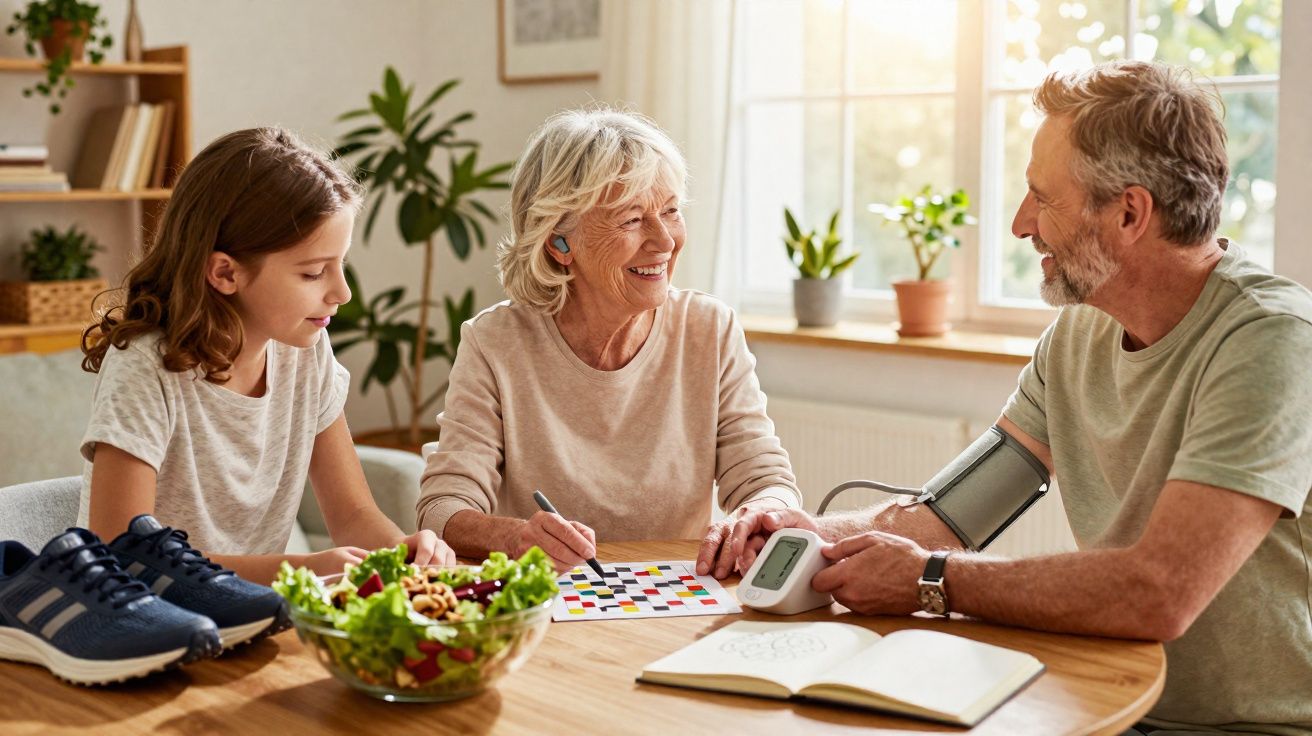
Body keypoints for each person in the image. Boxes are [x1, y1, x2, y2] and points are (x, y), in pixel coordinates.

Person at [713, 61, 1312, 734]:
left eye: (1042, 197)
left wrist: (930, 580)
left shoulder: (1273, 343)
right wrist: (818, 534)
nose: (1021, 224)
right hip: (1121, 701)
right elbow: (951, 514)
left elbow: (1160, 592)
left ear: (1129, 212)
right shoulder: (1077, 335)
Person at [417, 108, 801, 572]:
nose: (665, 241)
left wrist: (763, 511)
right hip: (554, 603)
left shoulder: (710, 329)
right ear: (560, 243)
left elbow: (765, 477)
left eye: (671, 211)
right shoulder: (494, 342)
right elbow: (442, 510)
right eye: (632, 219)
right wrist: (517, 537)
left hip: (679, 597)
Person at [80, 127, 456, 587]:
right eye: (314, 272)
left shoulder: (305, 351)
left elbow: (353, 513)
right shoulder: (145, 368)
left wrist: (403, 556)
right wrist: (302, 570)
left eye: (341, 265)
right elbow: (124, 553)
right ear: (225, 272)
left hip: (251, 620)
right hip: (146, 626)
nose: (342, 292)